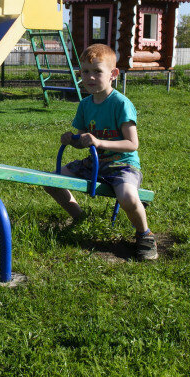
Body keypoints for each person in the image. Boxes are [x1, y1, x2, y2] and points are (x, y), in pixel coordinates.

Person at [44, 43, 157, 260]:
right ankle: (80, 218)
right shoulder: (85, 105)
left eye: (97, 71)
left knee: (127, 197)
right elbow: (84, 141)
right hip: (95, 163)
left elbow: (132, 144)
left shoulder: (121, 104)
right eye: (86, 72)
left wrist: (100, 142)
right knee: (51, 181)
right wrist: (72, 139)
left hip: (122, 164)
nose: (90, 77)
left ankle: (145, 235)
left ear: (113, 74)